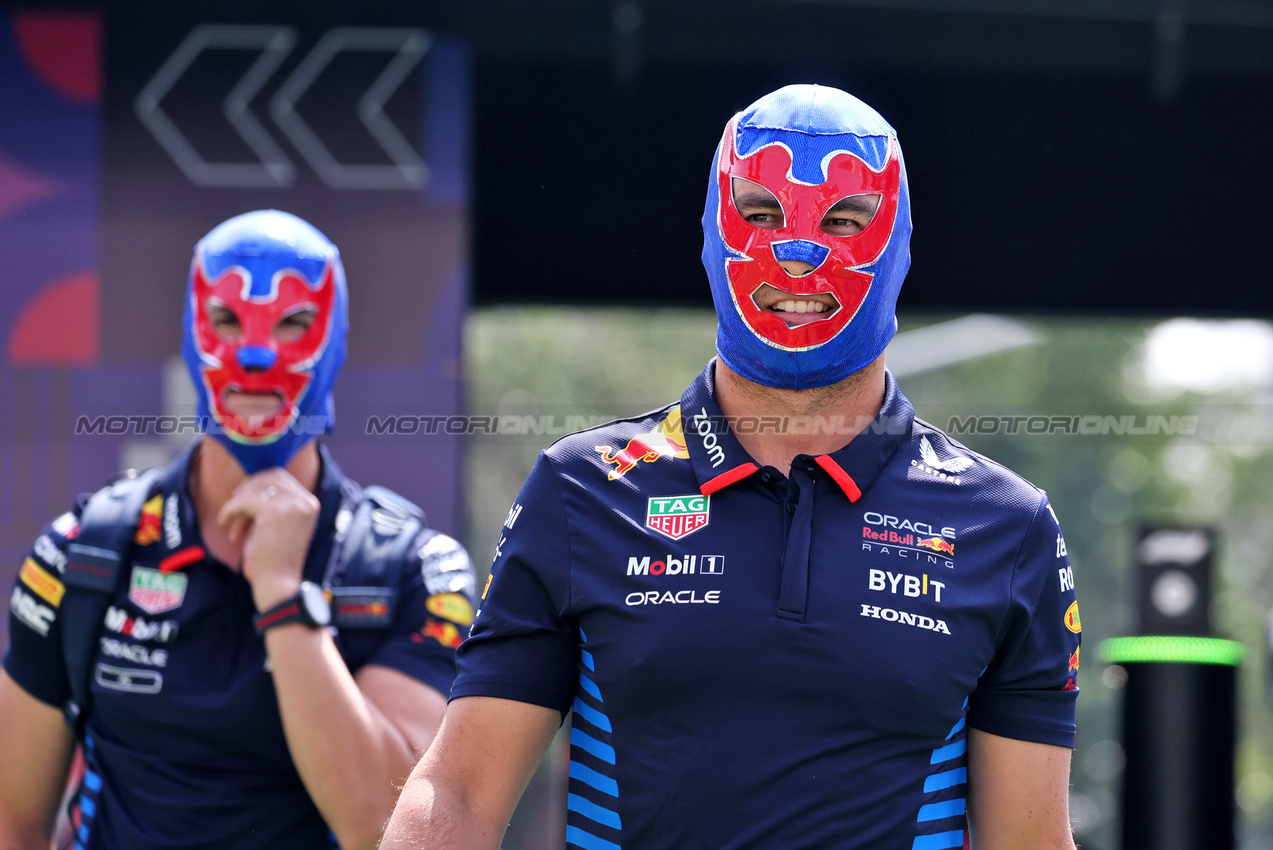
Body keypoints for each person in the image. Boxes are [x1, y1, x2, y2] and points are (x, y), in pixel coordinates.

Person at [381, 84, 1081, 850]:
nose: (798, 250)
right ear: (714, 227)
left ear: (899, 245)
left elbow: (1031, 841)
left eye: (845, 219)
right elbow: (455, 794)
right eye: (761, 213)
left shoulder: (1005, 525)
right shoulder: (582, 489)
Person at [0, 210, 477, 850]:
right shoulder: (82, 552)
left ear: (333, 337)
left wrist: (283, 595)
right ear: (191, 332)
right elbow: (14, 823)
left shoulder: (409, 570)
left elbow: (385, 828)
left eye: (293, 323)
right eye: (225, 320)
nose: (254, 354)